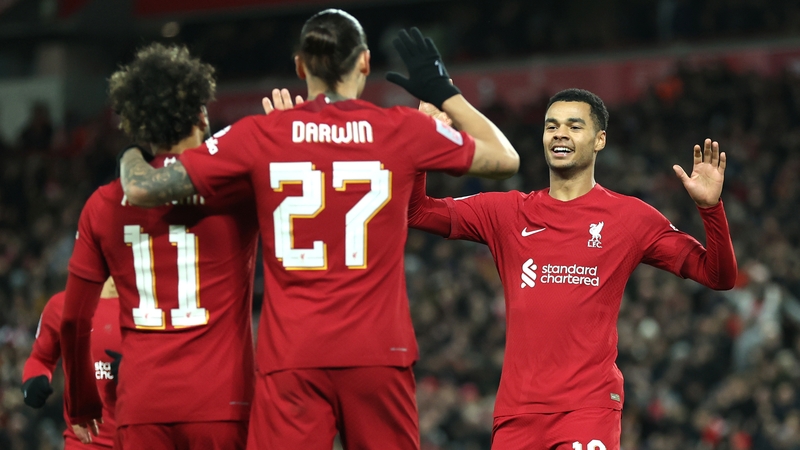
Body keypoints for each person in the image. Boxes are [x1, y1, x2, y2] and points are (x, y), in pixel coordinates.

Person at [117, 9, 519, 450]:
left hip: (292, 358)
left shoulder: (260, 134)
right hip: (378, 353)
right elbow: (505, 159)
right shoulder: (402, 129)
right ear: (365, 62)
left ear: (299, 66)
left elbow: (142, 188)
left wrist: (134, 151)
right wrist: (444, 92)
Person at [407, 88, 738, 450]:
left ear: (600, 140)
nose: (559, 133)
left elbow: (718, 276)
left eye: (573, 126)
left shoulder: (631, 218)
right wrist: (419, 145)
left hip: (587, 410)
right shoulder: (506, 212)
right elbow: (417, 211)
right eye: (551, 126)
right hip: (516, 415)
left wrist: (711, 210)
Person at [60, 43, 259, 449]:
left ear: (140, 126)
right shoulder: (238, 189)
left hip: (142, 405)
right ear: (201, 114)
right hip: (222, 400)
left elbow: (74, 321)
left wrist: (82, 403)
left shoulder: (102, 204)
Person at [22, 277, 121, 448]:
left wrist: (138, 368)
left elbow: (177, 364)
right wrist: (33, 380)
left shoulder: (154, 309)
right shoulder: (62, 306)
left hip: (144, 439)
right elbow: (41, 358)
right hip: (84, 442)